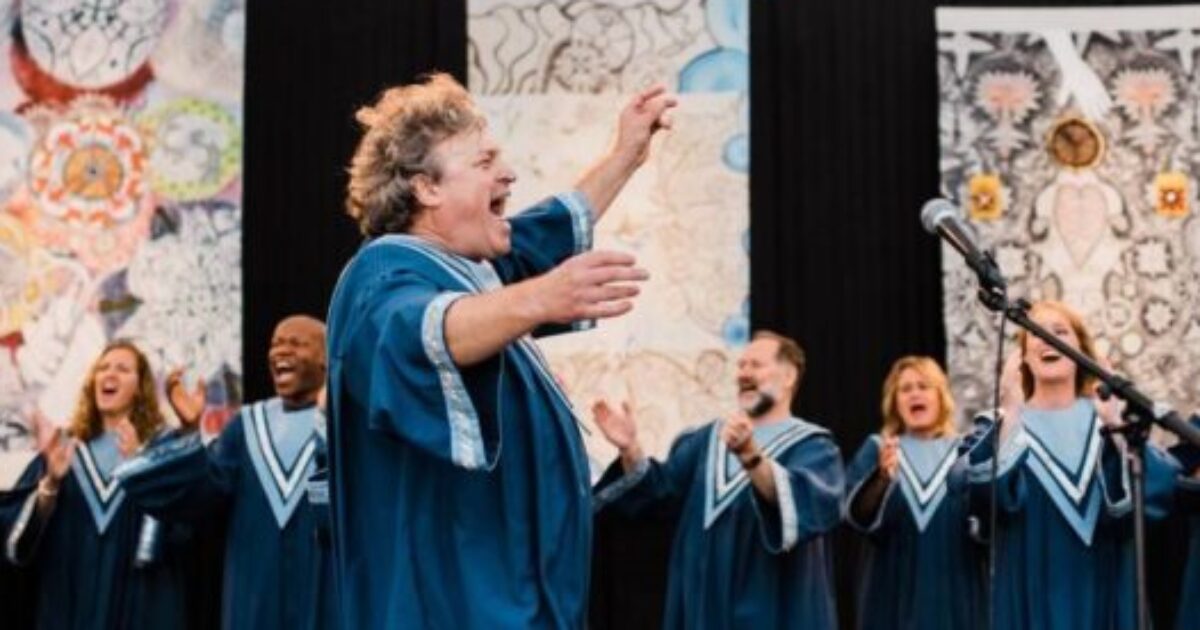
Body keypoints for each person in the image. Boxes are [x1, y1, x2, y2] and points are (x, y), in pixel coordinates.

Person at [325, 72, 675, 628]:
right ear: (426, 187)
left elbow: (542, 232)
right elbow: (418, 333)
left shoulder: (470, 272)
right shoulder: (382, 276)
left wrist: (627, 154)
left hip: (511, 602)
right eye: (486, 162)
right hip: (451, 606)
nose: (508, 172)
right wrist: (540, 298)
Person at [592, 330, 845, 629]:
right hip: (699, 614)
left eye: (756, 365)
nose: (744, 373)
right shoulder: (705, 440)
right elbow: (659, 492)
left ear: (789, 376)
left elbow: (807, 508)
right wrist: (630, 449)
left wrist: (751, 457)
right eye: (741, 365)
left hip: (771, 609)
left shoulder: (815, 448)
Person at [963, 300, 1179, 629]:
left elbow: (1152, 503)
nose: (1048, 340)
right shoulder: (999, 426)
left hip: (1106, 591)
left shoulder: (1110, 424)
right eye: (1037, 334)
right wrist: (1010, 411)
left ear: (1082, 351)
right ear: (1021, 357)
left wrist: (1117, 428)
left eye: (1060, 332)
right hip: (1028, 595)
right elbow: (981, 502)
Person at [115, 315, 336, 630]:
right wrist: (191, 432)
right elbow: (204, 497)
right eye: (275, 344)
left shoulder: (345, 423)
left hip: (321, 591)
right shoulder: (246, 426)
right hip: (252, 597)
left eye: (297, 344)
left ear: (325, 359)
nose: (280, 352)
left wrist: (328, 424)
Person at [0, 340, 188, 629]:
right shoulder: (64, 449)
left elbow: (181, 530)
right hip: (67, 602)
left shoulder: (158, 449)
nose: (109, 374)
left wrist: (141, 468)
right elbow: (20, 540)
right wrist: (50, 483)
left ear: (140, 388)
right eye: (103, 368)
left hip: (132, 603)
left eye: (123, 369)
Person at [843, 356, 983, 630]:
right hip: (891, 592)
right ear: (894, 401)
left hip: (955, 589)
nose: (914, 393)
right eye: (905, 389)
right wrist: (882, 478)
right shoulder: (879, 449)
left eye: (924, 385)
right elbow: (857, 516)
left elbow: (985, 521)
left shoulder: (967, 453)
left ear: (941, 396)